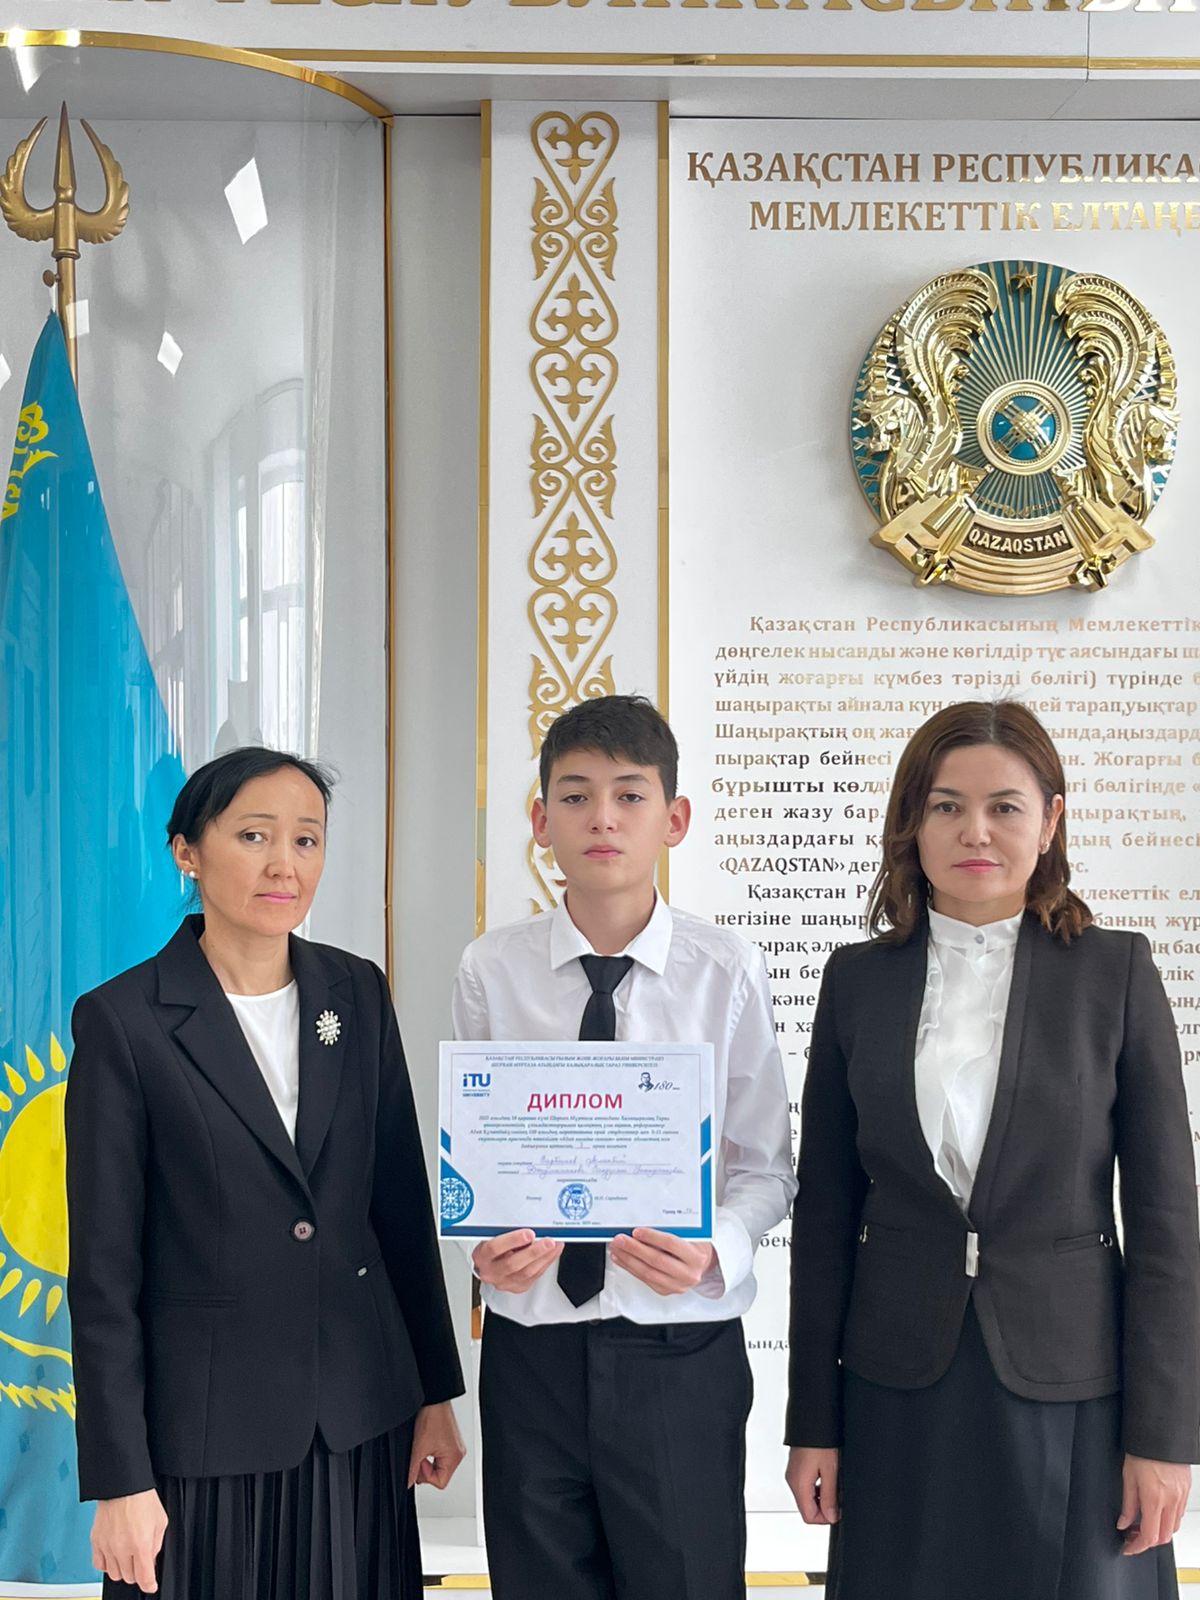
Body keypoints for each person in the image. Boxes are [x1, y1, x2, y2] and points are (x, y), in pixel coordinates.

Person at [785, 700, 1200, 1600]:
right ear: (913, 822)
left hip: (1074, 1388)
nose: (975, 831)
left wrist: (1165, 1439)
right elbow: (824, 1217)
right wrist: (812, 1421)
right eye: (947, 806)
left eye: (1005, 806)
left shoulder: (1116, 973)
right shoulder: (856, 981)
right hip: (897, 1383)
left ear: (1050, 822)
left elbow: (1167, 1224)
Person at [66, 748, 466, 1599]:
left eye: (307, 839)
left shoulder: (357, 994)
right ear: (187, 851)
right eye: (254, 836)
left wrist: (435, 1391)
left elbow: (399, 1205)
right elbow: (103, 1272)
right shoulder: (124, 1020)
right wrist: (119, 1478)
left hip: (359, 1418)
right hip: (204, 1440)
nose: (285, 863)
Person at [451, 694, 796, 1600]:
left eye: (630, 795)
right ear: (540, 821)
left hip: (678, 1347)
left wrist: (716, 1248)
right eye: (575, 796)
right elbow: (475, 1153)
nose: (602, 818)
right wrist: (482, 1246)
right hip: (532, 1348)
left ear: (674, 819)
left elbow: (767, 1166)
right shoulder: (490, 968)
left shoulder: (726, 969)